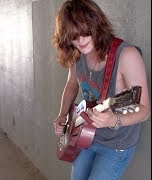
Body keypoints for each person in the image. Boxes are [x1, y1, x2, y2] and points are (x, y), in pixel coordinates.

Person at [52, 0, 150, 179]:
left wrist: (113, 120)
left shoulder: (127, 55)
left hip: (116, 142)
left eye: (85, 32)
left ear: (97, 24)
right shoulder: (77, 54)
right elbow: (72, 84)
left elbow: (144, 111)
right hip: (84, 135)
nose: (80, 41)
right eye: (73, 36)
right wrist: (63, 115)